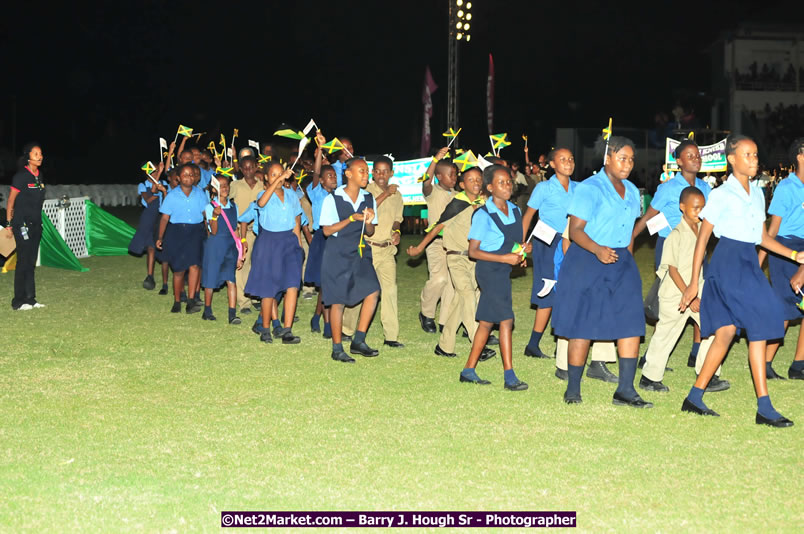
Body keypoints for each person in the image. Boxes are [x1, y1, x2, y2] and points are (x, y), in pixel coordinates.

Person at [679, 134, 802, 427]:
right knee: (761, 322)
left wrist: (795, 255)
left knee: (726, 332)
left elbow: (762, 238)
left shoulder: (758, 194)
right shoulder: (720, 195)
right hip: (727, 263)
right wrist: (694, 282)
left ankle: (694, 397)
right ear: (732, 159)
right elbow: (702, 240)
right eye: (747, 155)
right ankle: (764, 407)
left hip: (748, 261)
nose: (754, 160)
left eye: (756, 154)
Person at [552, 136, 650, 408]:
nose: (627, 164)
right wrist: (597, 250)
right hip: (588, 259)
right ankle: (573, 388)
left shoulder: (632, 190)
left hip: (621, 261)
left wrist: (626, 257)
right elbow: (575, 231)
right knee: (583, 324)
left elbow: (629, 228)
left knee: (631, 323)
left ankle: (626, 390)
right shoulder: (589, 188)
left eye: (631, 160)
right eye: (622, 158)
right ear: (607, 158)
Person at [639, 187, 728, 393]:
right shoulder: (676, 234)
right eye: (695, 208)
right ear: (682, 207)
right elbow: (672, 268)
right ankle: (649, 377)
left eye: (702, 208)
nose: (699, 212)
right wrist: (688, 294)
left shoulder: (701, 231)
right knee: (666, 334)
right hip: (676, 294)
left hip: (697, 290)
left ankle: (708, 372)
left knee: (714, 327)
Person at [633, 140, 711, 368]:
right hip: (672, 247)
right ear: (678, 161)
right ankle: (652, 356)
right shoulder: (667, 188)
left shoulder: (706, 188)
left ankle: (697, 353)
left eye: (697, 155)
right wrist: (632, 239)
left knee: (701, 297)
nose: (696, 159)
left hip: (698, 248)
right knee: (671, 301)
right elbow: (650, 215)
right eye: (690, 155)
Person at [407, 167, 495, 361]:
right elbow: (437, 226)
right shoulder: (457, 204)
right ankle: (478, 343)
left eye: (478, 179)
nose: (475, 182)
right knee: (467, 296)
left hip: (475, 259)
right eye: (470, 180)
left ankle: (444, 346)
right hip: (456, 258)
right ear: (462, 185)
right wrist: (419, 248)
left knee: (458, 303)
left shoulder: (483, 204)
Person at [459, 165, 531, 390]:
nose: (507, 185)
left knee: (487, 323)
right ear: (489, 187)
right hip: (489, 271)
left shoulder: (515, 210)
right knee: (506, 320)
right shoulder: (483, 214)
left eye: (509, 181)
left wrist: (521, 251)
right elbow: (473, 252)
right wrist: (505, 259)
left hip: (504, 269)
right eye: (501, 183)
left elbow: (511, 242)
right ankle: (509, 376)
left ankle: (468, 370)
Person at [319, 158, 381, 363]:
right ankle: (337, 348)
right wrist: (352, 219)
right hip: (337, 252)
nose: (366, 175)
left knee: (373, 290)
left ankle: (359, 340)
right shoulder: (333, 198)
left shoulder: (368, 197)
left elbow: (370, 231)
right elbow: (327, 230)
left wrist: (369, 221)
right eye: (361, 171)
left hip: (359, 251)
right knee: (338, 301)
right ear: (348, 174)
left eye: (367, 171)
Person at [520, 147, 578, 360]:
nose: (568, 162)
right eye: (562, 159)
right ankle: (533, 344)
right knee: (548, 290)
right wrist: (520, 244)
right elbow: (528, 216)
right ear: (552, 164)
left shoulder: (578, 188)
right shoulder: (543, 187)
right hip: (546, 242)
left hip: (570, 242)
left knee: (567, 289)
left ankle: (561, 343)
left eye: (571, 159)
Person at [759, 138, 804, 380]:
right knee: (786, 309)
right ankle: (765, 362)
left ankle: (799, 365)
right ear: (800, 156)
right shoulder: (787, 188)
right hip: (784, 247)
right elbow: (772, 230)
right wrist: (758, 262)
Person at [244, 162, 304, 344]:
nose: (278, 177)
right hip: (269, 242)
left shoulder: (292, 195)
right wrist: (279, 179)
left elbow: (296, 220)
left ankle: (287, 330)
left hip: (289, 242)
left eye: (280, 173)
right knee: (269, 287)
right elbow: (261, 203)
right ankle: (265, 328)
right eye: (273, 174)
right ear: (267, 178)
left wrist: (299, 246)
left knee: (292, 285)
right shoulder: (264, 194)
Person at [351, 156, 404, 348]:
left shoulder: (397, 195)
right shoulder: (365, 191)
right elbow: (367, 212)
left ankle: (391, 336)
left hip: (387, 249)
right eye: (377, 171)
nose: (381, 175)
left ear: (391, 173)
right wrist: (386, 194)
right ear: (373, 173)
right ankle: (348, 330)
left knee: (390, 291)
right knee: (360, 289)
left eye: (385, 171)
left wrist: (396, 231)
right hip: (367, 247)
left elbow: (398, 218)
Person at [156, 163, 207, 314]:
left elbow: (206, 214)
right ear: (178, 178)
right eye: (185, 175)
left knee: (195, 266)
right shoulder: (172, 195)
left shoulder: (200, 194)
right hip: (176, 232)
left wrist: (211, 224)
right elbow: (164, 218)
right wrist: (160, 237)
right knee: (178, 269)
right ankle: (177, 300)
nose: (189, 177)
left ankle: (191, 300)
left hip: (196, 231)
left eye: (191, 175)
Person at [418, 148, 456, 334]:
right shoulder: (432, 192)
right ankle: (426, 313)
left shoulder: (458, 195)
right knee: (439, 278)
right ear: (439, 176)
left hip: (454, 243)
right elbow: (426, 180)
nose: (454, 178)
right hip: (435, 242)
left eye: (455, 174)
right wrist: (435, 160)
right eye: (450, 175)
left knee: (451, 282)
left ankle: (445, 320)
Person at [5, 143, 46, 310]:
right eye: (36, 153)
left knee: (31, 262)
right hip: (22, 224)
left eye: (41, 153)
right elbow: (11, 200)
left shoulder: (39, 176)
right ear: (28, 157)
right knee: (23, 262)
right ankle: (18, 301)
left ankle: (30, 299)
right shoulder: (21, 176)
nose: (40, 156)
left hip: (36, 225)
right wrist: (9, 224)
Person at [305, 132, 338, 337]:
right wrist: (319, 151)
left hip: (336, 238)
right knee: (324, 283)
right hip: (321, 238)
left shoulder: (339, 194)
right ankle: (327, 324)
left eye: (334, 175)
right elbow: (316, 173)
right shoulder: (316, 192)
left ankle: (316, 316)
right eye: (329, 176)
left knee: (328, 283)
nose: (333, 178)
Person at [201, 175, 243, 324]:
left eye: (226, 185)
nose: (224, 188)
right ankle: (207, 310)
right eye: (221, 185)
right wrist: (214, 216)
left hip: (230, 246)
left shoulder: (233, 206)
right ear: (214, 189)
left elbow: (234, 229)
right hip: (215, 246)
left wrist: (240, 251)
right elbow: (213, 231)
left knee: (231, 279)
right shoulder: (210, 207)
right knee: (211, 278)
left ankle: (232, 314)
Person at [228, 155, 263, 315]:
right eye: (245, 168)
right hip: (241, 231)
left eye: (251, 167)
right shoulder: (235, 185)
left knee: (257, 264)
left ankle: (256, 296)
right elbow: (225, 201)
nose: (248, 171)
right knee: (242, 264)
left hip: (260, 231)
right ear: (240, 169)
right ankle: (244, 301)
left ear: (256, 167)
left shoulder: (263, 186)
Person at [129, 161, 169, 292]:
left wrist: (163, 191)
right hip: (148, 217)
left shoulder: (164, 184)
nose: (156, 172)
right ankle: (150, 276)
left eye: (158, 170)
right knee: (151, 247)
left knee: (164, 247)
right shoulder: (142, 185)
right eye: (154, 170)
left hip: (161, 217)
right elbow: (149, 198)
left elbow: (167, 200)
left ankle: (166, 281)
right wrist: (157, 179)